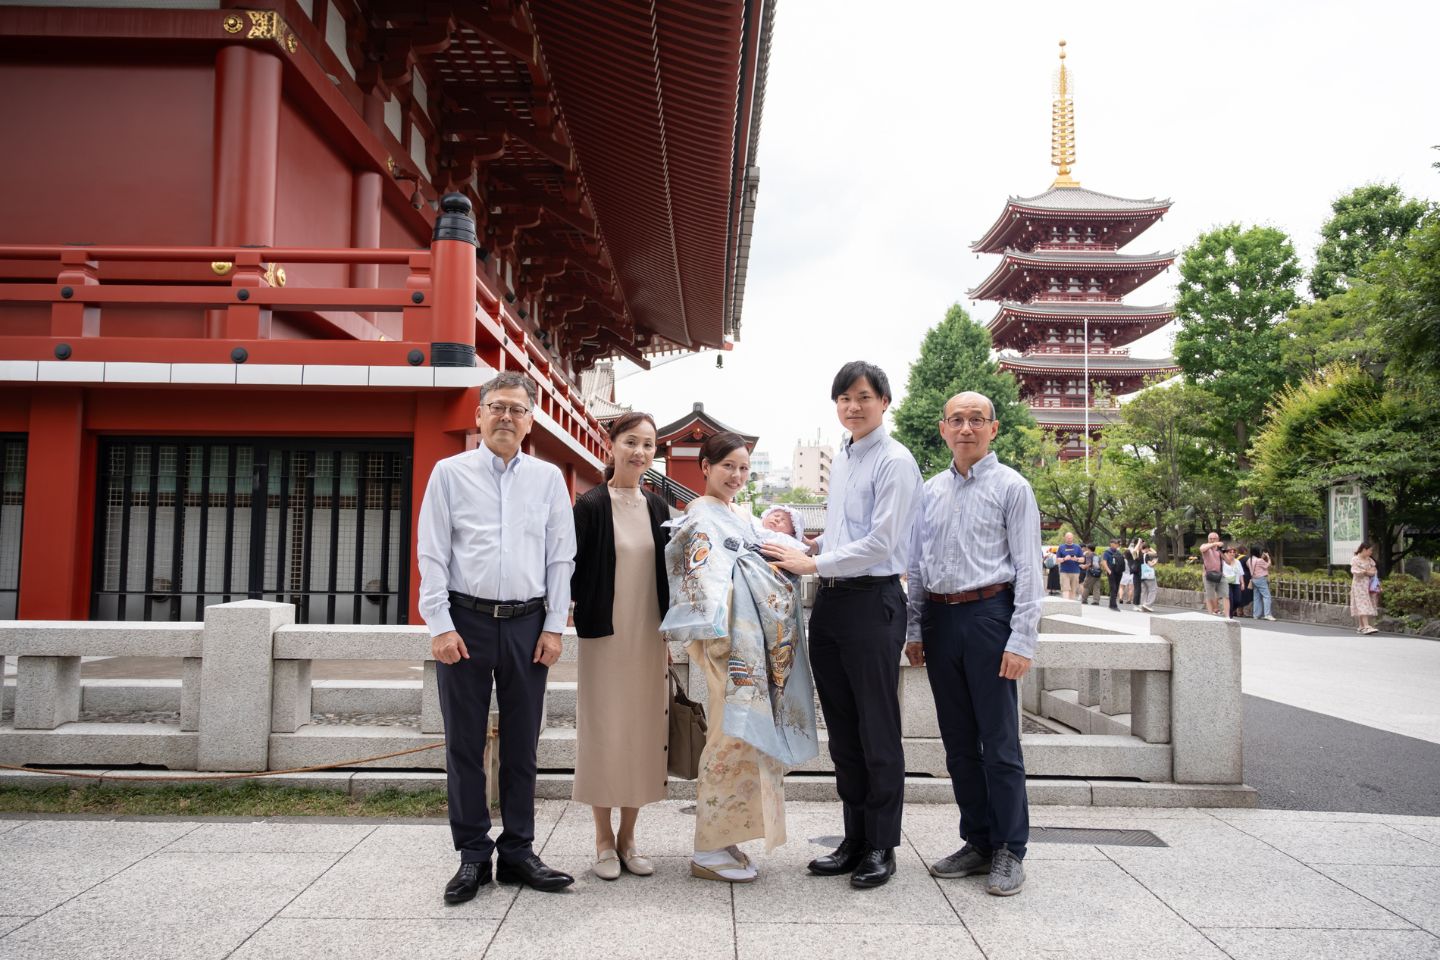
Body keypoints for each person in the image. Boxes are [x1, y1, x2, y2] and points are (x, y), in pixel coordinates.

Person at [417, 372, 577, 903]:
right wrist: (438, 624)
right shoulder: (449, 473)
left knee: (522, 743)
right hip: (466, 620)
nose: (505, 417)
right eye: (496, 407)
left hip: (530, 623)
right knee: (464, 743)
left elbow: (561, 557)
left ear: (531, 421)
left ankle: (518, 851)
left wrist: (555, 625)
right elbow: (433, 553)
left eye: (516, 409)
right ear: (479, 415)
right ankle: (471, 855)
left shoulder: (549, 478)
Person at [763, 361, 922, 890]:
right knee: (845, 732)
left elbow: (882, 544)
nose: (852, 406)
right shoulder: (847, 457)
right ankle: (853, 837)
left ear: (883, 400)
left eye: (862, 396)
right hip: (830, 605)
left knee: (877, 729)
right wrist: (808, 548)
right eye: (843, 398)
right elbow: (842, 535)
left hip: (872, 602)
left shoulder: (895, 461)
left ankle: (882, 844)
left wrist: (815, 563)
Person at [663, 432, 818, 882]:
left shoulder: (738, 514)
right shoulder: (699, 516)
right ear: (705, 467)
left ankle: (725, 839)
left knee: (747, 738)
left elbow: (775, 551)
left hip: (753, 645)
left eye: (744, 468)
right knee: (727, 736)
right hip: (727, 643)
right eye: (727, 465)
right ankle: (707, 850)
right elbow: (700, 580)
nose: (736, 475)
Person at [906, 391, 1042, 897]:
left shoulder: (1013, 487)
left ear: (994, 428)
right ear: (943, 428)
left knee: (1000, 742)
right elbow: (916, 567)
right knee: (959, 744)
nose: (967, 428)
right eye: (957, 420)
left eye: (976, 420)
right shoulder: (929, 490)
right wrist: (915, 630)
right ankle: (978, 840)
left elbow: (1030, 567)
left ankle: (1010, 849)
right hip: (941, 621)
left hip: (990, 616)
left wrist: (1021, 638)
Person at [570, 412, 673, 881]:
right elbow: (570, 571)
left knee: (643, 732)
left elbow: (671, 576)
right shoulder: (589, 505)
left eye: (649, 445)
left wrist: (672, 632)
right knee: (605, 732)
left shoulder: (657, 507)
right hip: (605, 638)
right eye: (632, 442)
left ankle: (630, 836)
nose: (640, 452)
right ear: (611, 445)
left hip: (649, 636)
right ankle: (602, 838)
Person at [1350, 542, 1380, 635]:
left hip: (1368, 585)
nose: (1371, 552)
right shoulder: (1355, 559)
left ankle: (1361, 626)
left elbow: (1374, 570)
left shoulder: (1370, 560)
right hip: (1359, 585)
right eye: (1370, 550)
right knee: (1362, 603)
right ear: (1364, 549)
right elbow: (1355, 571)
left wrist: (1370, 572)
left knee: (1365, 602)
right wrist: (1366, 572)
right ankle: (1366, 626)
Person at [1198, 532, 1225, 615]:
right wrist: (1214, 544)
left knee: (1221, 593)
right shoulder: (1205, 546)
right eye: (1210, 538)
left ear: (1218, 539)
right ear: (1208, 539)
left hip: (1219, 574)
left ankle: (1217, 609)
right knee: (1210, 594)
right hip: (1208, 575)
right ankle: (1211, 612)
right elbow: (1202, 549)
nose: (1212, 540)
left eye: (1214, 539)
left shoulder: (1220, 549)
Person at [1249, 546, 1275, 621]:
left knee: (1257, 597)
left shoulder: (1250, 560)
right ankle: (1267, 614)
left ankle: (1256, 614)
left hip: (1254, 579)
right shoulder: (1259, 560)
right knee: (1267, 596)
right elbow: (1268, 565)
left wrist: (1262, 558)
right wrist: (1268, 557)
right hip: (1261, 579)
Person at [1056, 532, 1083, 600]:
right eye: (1068, 538)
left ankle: (1071, 606)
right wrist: (1064, 559)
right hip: (1064, 572)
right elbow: (1057, 560)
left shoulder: (1078, 547)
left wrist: (1076, 559)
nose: (1069, 539)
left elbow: (1083, 559)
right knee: (1065, 589)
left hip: (1075, 572)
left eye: (1070, 538)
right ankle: (1066, 604)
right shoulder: (1061, 547)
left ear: (1073, 538)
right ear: (1065, 538)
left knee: (1073, 590)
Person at [1221, 547, 1244, 620]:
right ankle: (1229, 616)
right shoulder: (1223, 562)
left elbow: (1241, 573)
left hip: (1236, 583)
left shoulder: (1238, 562)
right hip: (1226, 583)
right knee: (1230, 599)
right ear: (1226, 553)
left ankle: (1227, 611)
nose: (1232, 554)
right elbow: (1219, 570)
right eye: (1230, 552)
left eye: (1234, 552)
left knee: (1237, 601)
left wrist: (1242, 583)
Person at [1102, 539, 1123, 610]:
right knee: (1113, 588)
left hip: (1118, 572)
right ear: (1111, 544)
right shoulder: (1107, 552)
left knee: (1116, 588)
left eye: (1118, 544)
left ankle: (1111, 604)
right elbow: (1104, 562)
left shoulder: (1119, 552)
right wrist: (1108, 571)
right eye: (1116, 543)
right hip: (1111, 572)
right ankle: (1114, 605)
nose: (1117, 545)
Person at [1137, 542, 1158, 612]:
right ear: (1146, 548)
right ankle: (1148, 605)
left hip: (1141, 575)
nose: (1149, 550)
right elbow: (1150, 564)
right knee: (1153, 589)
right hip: (1148, 575)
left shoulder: (1139, 554)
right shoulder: (1146, 555)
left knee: (1144, 591)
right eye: (1148, 549)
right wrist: (1155, 562)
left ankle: (1143, 604)